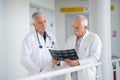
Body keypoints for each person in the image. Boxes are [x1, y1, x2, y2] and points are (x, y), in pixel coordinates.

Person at [53, 15, 102, 80]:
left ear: (85, 27)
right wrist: (59, 62)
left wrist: (78, 63)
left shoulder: (94, 38)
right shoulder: (70, 39)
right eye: (73, 27)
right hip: (71, 76)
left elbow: (94, 58)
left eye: (77, 28)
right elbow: (65, 56)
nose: (74, 30)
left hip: (86, 76)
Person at [20, 12, 59, 77]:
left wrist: (58, 62)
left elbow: (57, 53)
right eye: (40, 22)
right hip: (37, 75)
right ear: (34, 24)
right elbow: (24, 59)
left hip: (51, 74)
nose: (43, 25)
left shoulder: (51, 36)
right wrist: (38, 70)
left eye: (44, 21)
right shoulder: (29, 38)